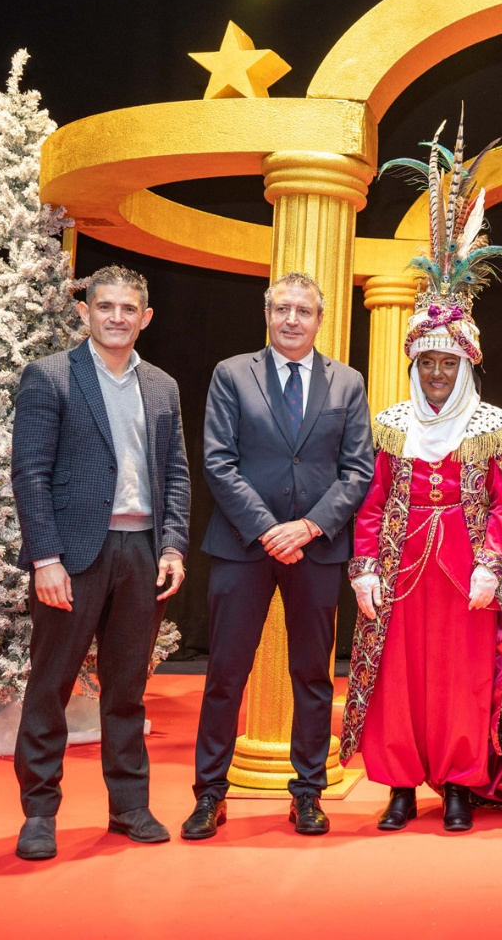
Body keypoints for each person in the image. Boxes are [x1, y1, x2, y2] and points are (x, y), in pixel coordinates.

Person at [341, 122, 502, 832]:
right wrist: (364, 567)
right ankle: (401, 786)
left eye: (448, 364)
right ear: (415, 365)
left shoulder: (495, 424)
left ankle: (461, 784)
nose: (437, 375)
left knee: (462, 680)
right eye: (427, 363)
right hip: (403, 570)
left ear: (466, 366)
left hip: (468, 573)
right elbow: (372, 501)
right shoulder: (391, 421)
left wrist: (494, 565)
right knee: (402, 679)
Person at [183, 272, 374, 840]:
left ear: (321, 319)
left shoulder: (348, 383)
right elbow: (217, 461)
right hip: (243, 546)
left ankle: (309, 794)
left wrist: (310, 526)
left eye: (304, 311)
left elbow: (358, 470)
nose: (292, 320)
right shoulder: (231, 374)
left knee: (313, 676)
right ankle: (209, 795)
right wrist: (271, 530)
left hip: (316, 550)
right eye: (282, 309)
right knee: (225, 675)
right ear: (267, 314)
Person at [10, 264, 190, 860]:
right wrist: (46, 558)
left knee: (127, 690)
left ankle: (129, 807)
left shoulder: (162, 386)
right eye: (104, 305)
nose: (116, 316)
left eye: (127, 308)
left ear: (147, 317)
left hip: (141, 552)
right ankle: (39, 812)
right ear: (84, 311)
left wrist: (172, 546)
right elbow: (30, 474)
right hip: (74, 556)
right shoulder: (51, 377)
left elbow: (176, 475)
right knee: (49, 687)